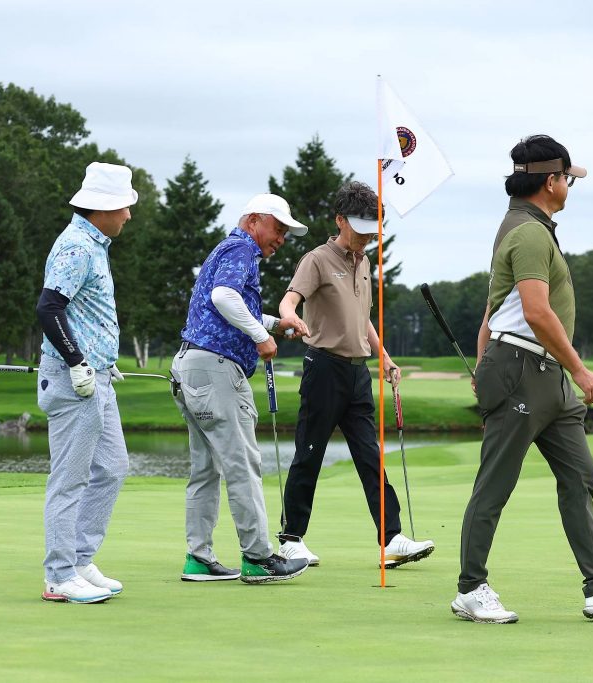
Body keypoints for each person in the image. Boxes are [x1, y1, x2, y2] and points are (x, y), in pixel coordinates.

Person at [451, 135, 593, 623]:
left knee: (580, 474)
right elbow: (535, 311)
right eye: (567, 177)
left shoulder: (531, 229)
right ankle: (471, 588)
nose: (569, 185)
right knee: (495, 484)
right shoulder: (528, 233)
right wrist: (579, 368)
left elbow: (490, 312)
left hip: (544, 376)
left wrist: (483, 365)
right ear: (551, 181)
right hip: (522, 369)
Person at [275, 181, 435, 568]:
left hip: (357, 373)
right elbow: (290, 299)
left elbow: (362, 319)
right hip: (323, 368)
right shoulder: (316, 259)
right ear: (340, 220)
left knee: (370, 455)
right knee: (309, 453)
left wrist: (385, 358)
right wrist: (289, 316)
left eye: (372, 230)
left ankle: (391, 539)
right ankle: (290, 539)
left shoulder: (363, 263)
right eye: (361, 229)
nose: (367, 237)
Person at [172, 193, 312, 584]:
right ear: (253, 221)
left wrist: (274, 325)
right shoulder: (242, 248)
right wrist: (259, 336)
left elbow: (226, 305)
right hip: (216, 371)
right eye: (277, 229)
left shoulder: (225, 249)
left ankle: (199, 558)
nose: (281, 239)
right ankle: (258, 557)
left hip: (191, 366)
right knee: (242, 464)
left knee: (205, 469)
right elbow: (223, 297)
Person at [34, 162, 137, 604]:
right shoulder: (77, 246)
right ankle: (59, 574)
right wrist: (77, 360)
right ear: (103, 208)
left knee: (112, 467)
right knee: (70, 479)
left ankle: (79, 560)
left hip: (98, 379)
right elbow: (48, 307)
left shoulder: (95, 245)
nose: (128, 215)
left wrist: (102, 360)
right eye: (124, 207)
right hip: (74, 380)